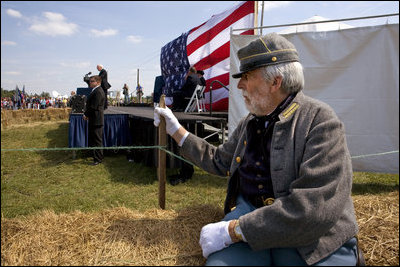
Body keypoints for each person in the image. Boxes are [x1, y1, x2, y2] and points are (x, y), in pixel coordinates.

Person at [154, 33, 363, 266]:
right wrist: (176, 130)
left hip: (312, 240)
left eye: (247, 76)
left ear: (276, 82)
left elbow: (313, 209)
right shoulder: (251, 122)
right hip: (250, 217)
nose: (240, 84)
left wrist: (233, 230)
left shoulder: (321, 121)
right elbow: (219, 160)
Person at [83, 75, 105, 165]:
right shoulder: (95, 90)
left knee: (97, 140)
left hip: (96, 120)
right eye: (90, 81)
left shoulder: (98, 91)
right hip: (94, 119)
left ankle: (98, 159)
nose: (90, 82)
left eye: (92, 81)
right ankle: (96, 157)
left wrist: (86, 114)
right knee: (94, 140)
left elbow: (94, 106)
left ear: (98, 82)